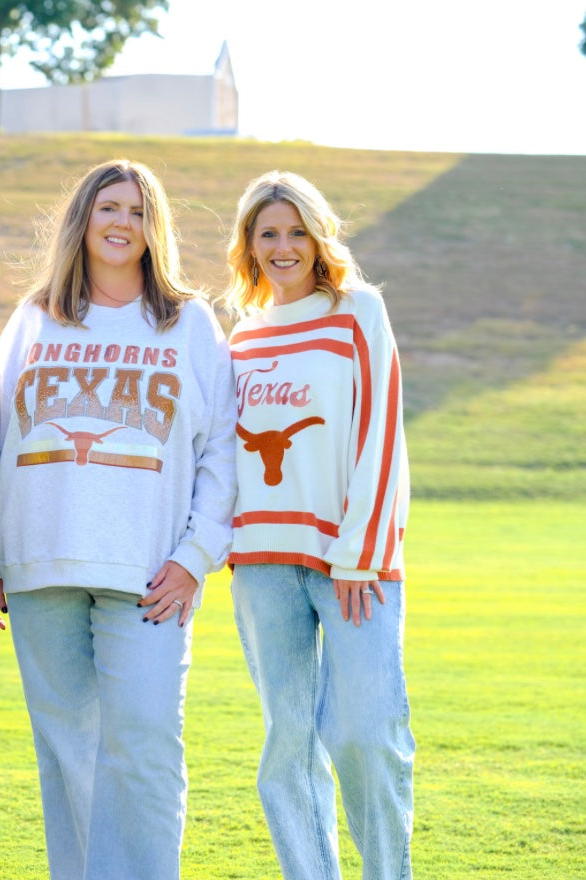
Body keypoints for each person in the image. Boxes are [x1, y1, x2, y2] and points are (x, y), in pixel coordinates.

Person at [0, 160, 237, 880]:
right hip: (41, 564)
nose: (121, 224)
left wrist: (195, 554)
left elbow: (223, 447)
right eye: (107, 208)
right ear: (81, 221)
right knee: (67, 749)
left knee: (146, 743)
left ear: (155, 230)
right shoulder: (34, 317)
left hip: (150, 570)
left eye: (137, 211)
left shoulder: (187, 323)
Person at [223, 170, 414, 880]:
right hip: (261, 562)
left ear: (317, 236)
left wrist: (361, 552)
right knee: (288, 744)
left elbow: (380, 428)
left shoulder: (356, 311)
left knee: (365, 732)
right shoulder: (241, 336)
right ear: (248, 244)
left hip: (352, 562)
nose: (282, 246)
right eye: (267, 233)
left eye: (296, 231)